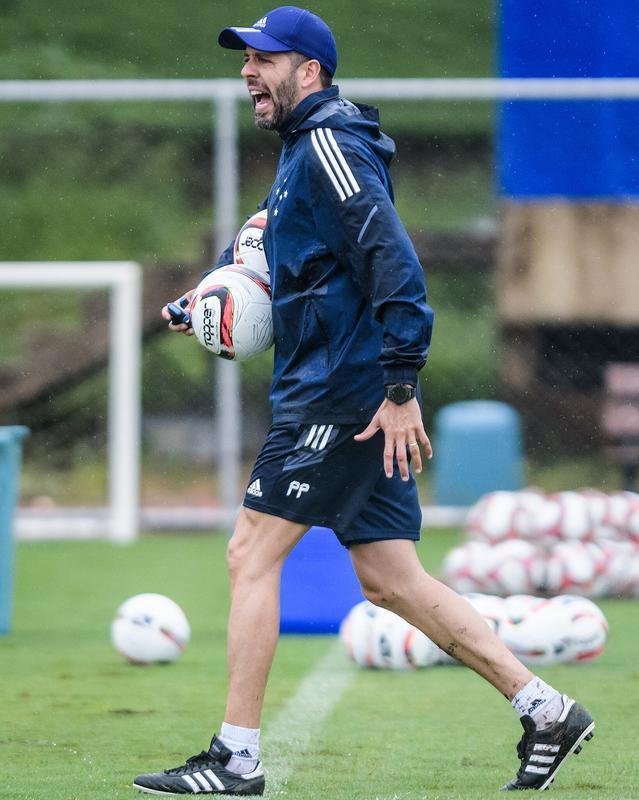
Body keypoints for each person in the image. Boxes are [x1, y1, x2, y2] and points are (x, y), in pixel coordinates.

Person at [134, 7, 594, 796]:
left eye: (263, 59)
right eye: (244, 59)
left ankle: (235, 758)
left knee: (250, 554)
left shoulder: (328, 146)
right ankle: (545, 708)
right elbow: (265, 247)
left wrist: (399, 387)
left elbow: (393, 264)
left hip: (340, 395)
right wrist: (204, 297)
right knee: (390, 580)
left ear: (307, 70)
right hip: (336, 389)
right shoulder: (301, 154)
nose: (247, 71)